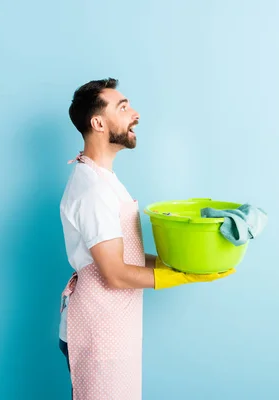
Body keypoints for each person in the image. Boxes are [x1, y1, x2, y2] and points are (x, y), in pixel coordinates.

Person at [58, 78, 235, 399]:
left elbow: (128, 257)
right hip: (98, 328)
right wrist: (179, 277)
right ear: (97, 123)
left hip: (114, 322)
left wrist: (186, 264)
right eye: (123, 107)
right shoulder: (93, 190)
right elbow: (114, 272)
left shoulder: (104, 179)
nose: (135, 113)